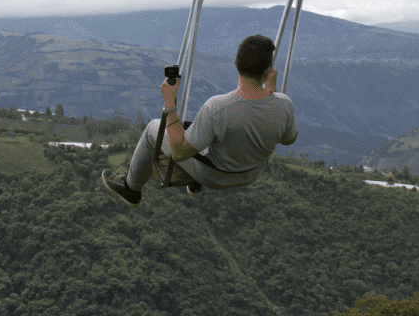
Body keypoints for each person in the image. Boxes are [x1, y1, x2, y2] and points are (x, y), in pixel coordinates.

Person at [101, 34, 298, 207]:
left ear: (236, 62)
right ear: (268, 71)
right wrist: (272, 90)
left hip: (214, 175)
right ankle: (194, 184)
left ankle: (131, 189)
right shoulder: (284, 104)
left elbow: (178, 153)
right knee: (201, 129)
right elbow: (287, 139)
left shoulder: (217, 107)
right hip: (253, 172)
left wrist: (169, 102)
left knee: (154, 127)